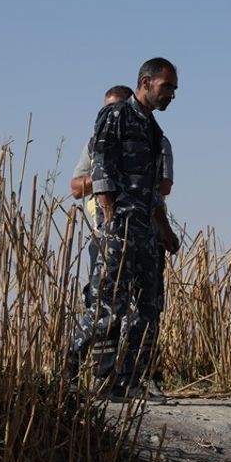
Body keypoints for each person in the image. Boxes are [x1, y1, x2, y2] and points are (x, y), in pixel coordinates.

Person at [70, 58, 178, 401]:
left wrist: (165, 231)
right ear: (145, 82)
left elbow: (154, 192)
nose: (172, 95)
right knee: (106, 308)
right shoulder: (116, 115)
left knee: (149, 310)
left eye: (174, 89)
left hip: (147, 234)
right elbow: (101, 164)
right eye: (167, 87)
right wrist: (109, 215)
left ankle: (127, 382)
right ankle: (67, 370)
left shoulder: (154, 131)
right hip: (120, 229)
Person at [69, 85, 179, 307]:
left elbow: (162, 187)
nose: (109, 116)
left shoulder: (155, 139)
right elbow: (76, 189)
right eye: (106, 109)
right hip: (106, 234)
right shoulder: (94, 146)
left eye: (116, 109)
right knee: (103, 304)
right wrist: (109, 174)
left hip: (146, 234)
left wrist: (165, 230)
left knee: (144, 306)